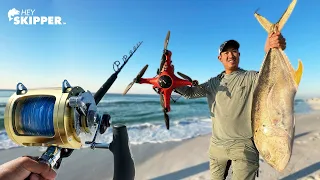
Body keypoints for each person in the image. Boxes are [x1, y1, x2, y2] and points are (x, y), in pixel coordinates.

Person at [174, 31, 286, 180]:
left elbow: (270, 76)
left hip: (243, 146)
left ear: (239, 55)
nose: (230, 55)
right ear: (220, 58)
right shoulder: (213, 82)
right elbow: (189, 93)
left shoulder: (250, 77)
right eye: (226, 52)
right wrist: (170, 82)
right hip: (217, 146)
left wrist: (271, 50)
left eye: (234, 51)